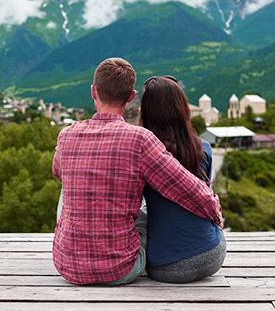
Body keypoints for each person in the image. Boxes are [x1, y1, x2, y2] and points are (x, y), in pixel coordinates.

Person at [52, 58, 223, 286]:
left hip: (68, 267)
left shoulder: (66, 135)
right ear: (131, 96)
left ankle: (77, 248)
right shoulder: (140, 140)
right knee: (142, 210)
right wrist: (215, 212)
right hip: (120, 269)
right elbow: (188, 189)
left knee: (66, 191)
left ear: (93, 91)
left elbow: (57, 172)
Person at [140, 76, 226, 283]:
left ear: (147, 112)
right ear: (182, 108)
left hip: (164, 267)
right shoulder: (203, 148)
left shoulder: (144, 154)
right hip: (212, 257)